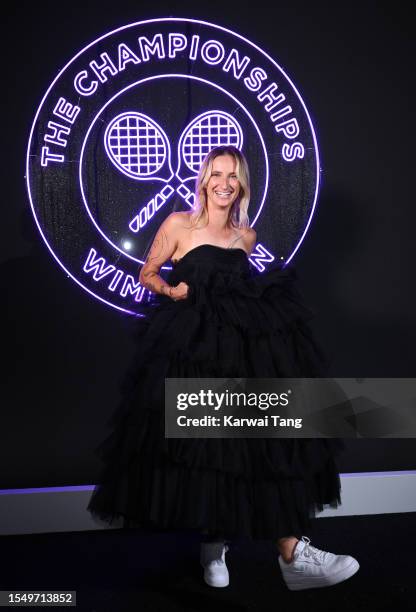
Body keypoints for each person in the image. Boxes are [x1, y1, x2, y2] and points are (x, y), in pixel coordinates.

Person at [87, 145, 359, 591]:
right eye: (217, 174)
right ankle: (216, 545)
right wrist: (173, 292)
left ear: (243, 185)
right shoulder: (178, 224)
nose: (225, 183)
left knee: (255, 440)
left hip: (241, 346)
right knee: (209, 445)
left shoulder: (245, 235)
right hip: (193, 346)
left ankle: (290, 553)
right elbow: (148, 272)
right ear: (204, 179)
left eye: (233, 176)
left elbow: (240, 292)